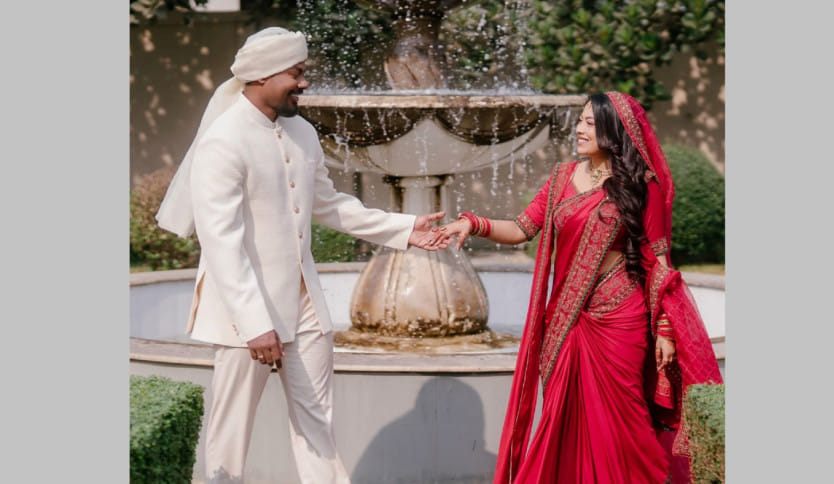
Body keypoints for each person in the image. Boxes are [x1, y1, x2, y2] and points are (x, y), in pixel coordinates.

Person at [154, 27, 448, 484]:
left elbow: (329, 204)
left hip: (306, 306)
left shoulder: (303, 132)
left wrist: (405, 228)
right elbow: (222, 243)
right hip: (242, 316)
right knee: (230, 434)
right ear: (262, 75)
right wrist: (255, 324)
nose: (304, 83)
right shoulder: (223, 140)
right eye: (296, 73)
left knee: (318, 426)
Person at [439, 92, 723, 484]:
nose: (579, 129)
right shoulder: (561, 178)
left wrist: (665, 329)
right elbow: (522, 228)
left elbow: (660, 262)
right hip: (567, 320)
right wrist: (474, 224)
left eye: (590, 122)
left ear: (614, 130)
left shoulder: (642, 186)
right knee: (563, 418)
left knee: (626, 422)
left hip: (621, 319)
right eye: (580, 120)